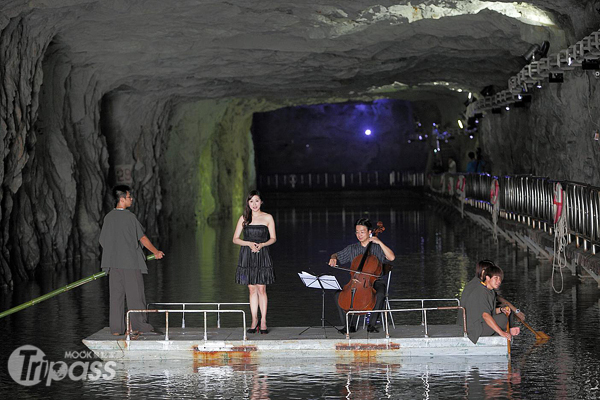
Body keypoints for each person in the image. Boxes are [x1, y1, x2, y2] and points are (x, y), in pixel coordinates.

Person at [99, 185, 165, 336]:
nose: (131, 199)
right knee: (136, 297)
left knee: (116, 298)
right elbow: (142, 238)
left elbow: (103, 240)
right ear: (122, 200)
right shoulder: (130, 217)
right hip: (130, 264)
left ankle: (116, 329)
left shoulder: (108, 217)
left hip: (113, 265)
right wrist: (156, 252)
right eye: (129, 197)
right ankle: (139, 326)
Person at [329, 218, 395, 334]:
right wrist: (333, 257)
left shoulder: (377, 247)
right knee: (338, 295)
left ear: (370, 232)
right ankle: (348, 326)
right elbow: (337, 254)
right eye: (357, 232)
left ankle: (372, 324)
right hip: (356, 282)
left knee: (379, 294)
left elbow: (391, 257)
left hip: (375, 281)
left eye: (362, 232)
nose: (359, 235)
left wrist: (379, 242)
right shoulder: (352, 249)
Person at [233, 190, 276, 334]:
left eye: (257, 201)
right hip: (247, 255)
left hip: (262, 254)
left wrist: (262, 245)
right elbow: (235, 239)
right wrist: (248, 243)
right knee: (251, 288)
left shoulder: (268, 217)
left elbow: (273, 238)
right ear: (248, 203)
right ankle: (254, 320)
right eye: (251, 201)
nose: (254, 204)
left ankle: (263, 321)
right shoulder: (244, 218)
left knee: (261, 288)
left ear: (261, 202)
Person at [460, 262, 520, 344]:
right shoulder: (481, 291)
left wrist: (501, 309)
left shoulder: (490, 291)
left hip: (482, 323)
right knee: (503, 319)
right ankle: (505, 331)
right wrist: (501, 333)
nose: (499, 281)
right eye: (496, 278)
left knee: (506, 312)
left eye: (500, 279)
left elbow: (490, 311)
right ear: (487, 278)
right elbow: (485, 315)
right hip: (476, 329)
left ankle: (506, 330)